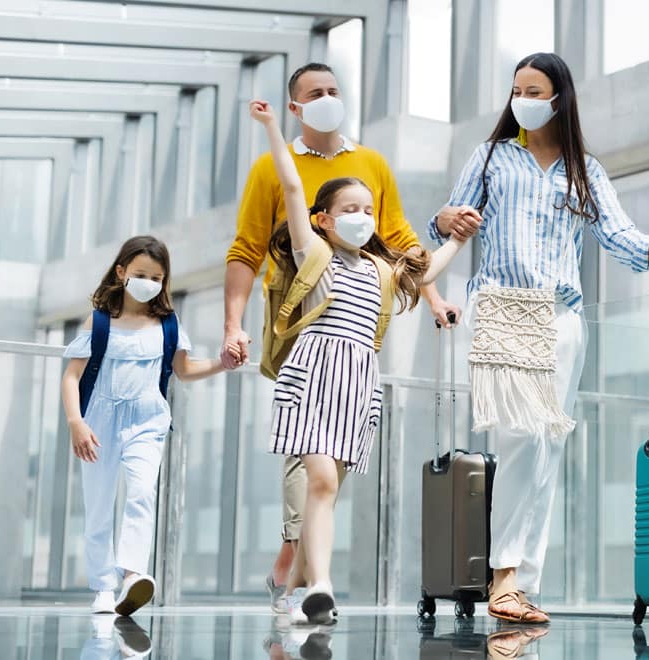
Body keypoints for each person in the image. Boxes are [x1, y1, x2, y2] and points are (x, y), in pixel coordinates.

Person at [429, 52, 649, 624]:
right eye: (516, 90)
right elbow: (446, 219)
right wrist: (447, 218)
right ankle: (503, 575)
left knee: (546, 448)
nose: (522, 99)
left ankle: (522, 583)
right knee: (523, 435)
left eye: (534, 91)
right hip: (502, 305)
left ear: (559, 99)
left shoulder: (584, 170)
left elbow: (616, 231)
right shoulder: (491, 156)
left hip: (562, 318)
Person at [222, 63, 464, 612]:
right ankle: (319, 585)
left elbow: (415, 259)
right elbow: (277, 207)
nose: (362, 217)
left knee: (328, 489)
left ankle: (293, 587)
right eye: (349, 210)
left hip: (357, 382)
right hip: (311, 367)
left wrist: (453, 246)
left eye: (366, 210)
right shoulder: (314, 251)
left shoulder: (379, 260)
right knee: (319, 482)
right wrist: (270, 130)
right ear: (323, 220)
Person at [60, 236, 229, 616]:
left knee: (140, 493)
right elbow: (71, 377)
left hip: (147, 421)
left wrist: (222, 363)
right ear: (121, 272)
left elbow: (184, 370)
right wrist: (76, 422)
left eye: (156, 277)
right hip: (98, 423)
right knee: (99, 505)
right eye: (140, 274)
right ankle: (103, 588)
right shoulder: (99, 321)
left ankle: (132, 575)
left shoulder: (168, 324)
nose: (148, 282)